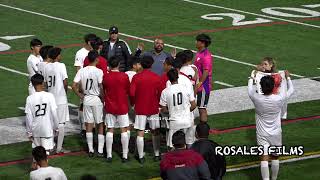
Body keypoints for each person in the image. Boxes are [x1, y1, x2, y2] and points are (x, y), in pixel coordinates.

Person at [248, 71, 294, 180]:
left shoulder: (256, 98)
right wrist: (288, 78)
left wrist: (251, 77)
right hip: (276, 132)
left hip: (262, 133)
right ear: (273, 86)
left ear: (261, 87)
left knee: (264, 158)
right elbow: (291, 90)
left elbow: (250, 89)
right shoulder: (279, 98)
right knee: (275, 157)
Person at [130, 56, 162, 164]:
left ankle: (140, 156)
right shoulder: (156, 77)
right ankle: (157, 154)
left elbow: (132, 93)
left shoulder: (136, 77)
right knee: (155, 131)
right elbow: (161, 93)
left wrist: (133, 103)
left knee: (140, 132)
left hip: (140, 107)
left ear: (141, 65)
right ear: (152, 65)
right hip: (153, 107)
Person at [72, 50, 104, 157]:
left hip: (86, 99)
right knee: (99, 124)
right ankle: (99, 150)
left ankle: (90, 150)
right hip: (96, 99)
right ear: (96, 59)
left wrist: (80, 95)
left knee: (89, 124)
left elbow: (74, 85)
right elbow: (101, 87)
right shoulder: (99, 71)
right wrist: (103, 98)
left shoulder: (82, 71)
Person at [160, 69, 197, 148]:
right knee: (188, 143)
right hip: (187, 120)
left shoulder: (165, 92)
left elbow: (164, 110)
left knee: (172, 146)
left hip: (175, 122)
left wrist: (173, 112)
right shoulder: (186, 89)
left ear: (169, 79)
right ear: (177, 77)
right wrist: (185, 111)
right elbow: (193, 105)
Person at [103, 56, 130, 163]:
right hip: (122, 106)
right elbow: (128, 90)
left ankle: (109, 155)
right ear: (118, 65)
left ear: (109, 65)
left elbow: (104, 89)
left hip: (110, 106)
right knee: (123, 129)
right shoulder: (124, 76)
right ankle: (125, 156)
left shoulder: (106, 77)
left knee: (110, 129)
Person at [44, 47, 70, 154]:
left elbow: (45, 84)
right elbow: (65, 82)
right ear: (57, 56)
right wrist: (65, 93)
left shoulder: (46, 67)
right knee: (61, 123)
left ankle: (50, 146)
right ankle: (59, 148)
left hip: (50, 97)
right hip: (60, 98)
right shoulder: (61, 65)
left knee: (51, 123)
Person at [25, 74, 59, 153]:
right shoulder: (50, 96)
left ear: (33, 85)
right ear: (43, 82)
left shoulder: (29, 98)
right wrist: (56, 128)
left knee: (37, 154)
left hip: (35, 129)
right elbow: (54, 114)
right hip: (47, 129)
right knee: (45, 154)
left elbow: (28, 118)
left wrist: (29, 132)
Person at [74, 33, 97, 137]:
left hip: (95, 83)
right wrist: (81, 85)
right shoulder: (80, 53)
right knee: (83, 105)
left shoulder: (95, 52)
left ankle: (93, 126)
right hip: (85, 83)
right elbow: (78, 69)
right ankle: (83, 127)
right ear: (89, 42)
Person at [194, 34, 213, 123]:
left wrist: (200, 83)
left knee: (202, 108)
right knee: (200, 106)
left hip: (203, 86)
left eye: (197, 41)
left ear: (202, 43)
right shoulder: (199, 53)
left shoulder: (206, 56)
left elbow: (206, 71)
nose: (196, 42)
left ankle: (204, 128)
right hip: (199, 84)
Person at [125, 56, 142, 141]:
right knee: (139, 127)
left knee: (127, 124)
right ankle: (136, 148)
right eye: (139, 64)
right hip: (135, 102)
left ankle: (126, 146)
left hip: (125, 102)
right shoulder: (137, 76)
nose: (140, 65)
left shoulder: (124, 74)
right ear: (134, 65)